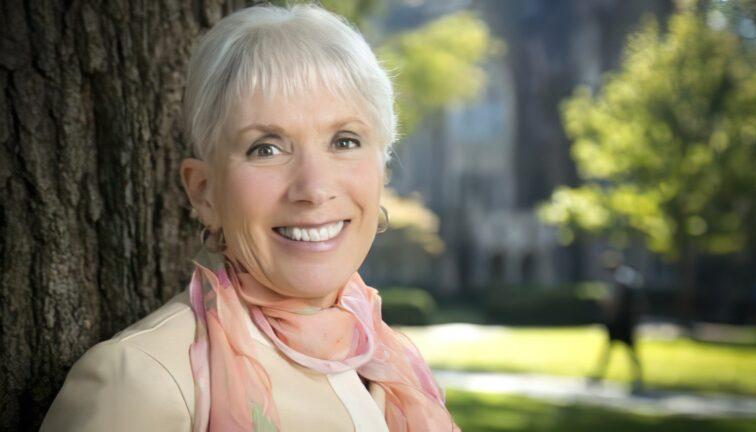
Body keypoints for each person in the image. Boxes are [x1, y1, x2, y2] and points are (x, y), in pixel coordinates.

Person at [40, 3, 460, 431]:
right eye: (266, 148)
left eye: (345, 140)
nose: (314, 189)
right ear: (204, 192)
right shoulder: (141, 382)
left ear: (381, 171)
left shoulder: (392, 363)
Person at [589, 250, 646, 394]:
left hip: (620, 321)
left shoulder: (620, 279)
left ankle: (636, 379)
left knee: (619, 350)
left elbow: (617, 301)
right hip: (626, 321)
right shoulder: (629, 276)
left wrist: (608, 309)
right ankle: (636, 379)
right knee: (618, 350)